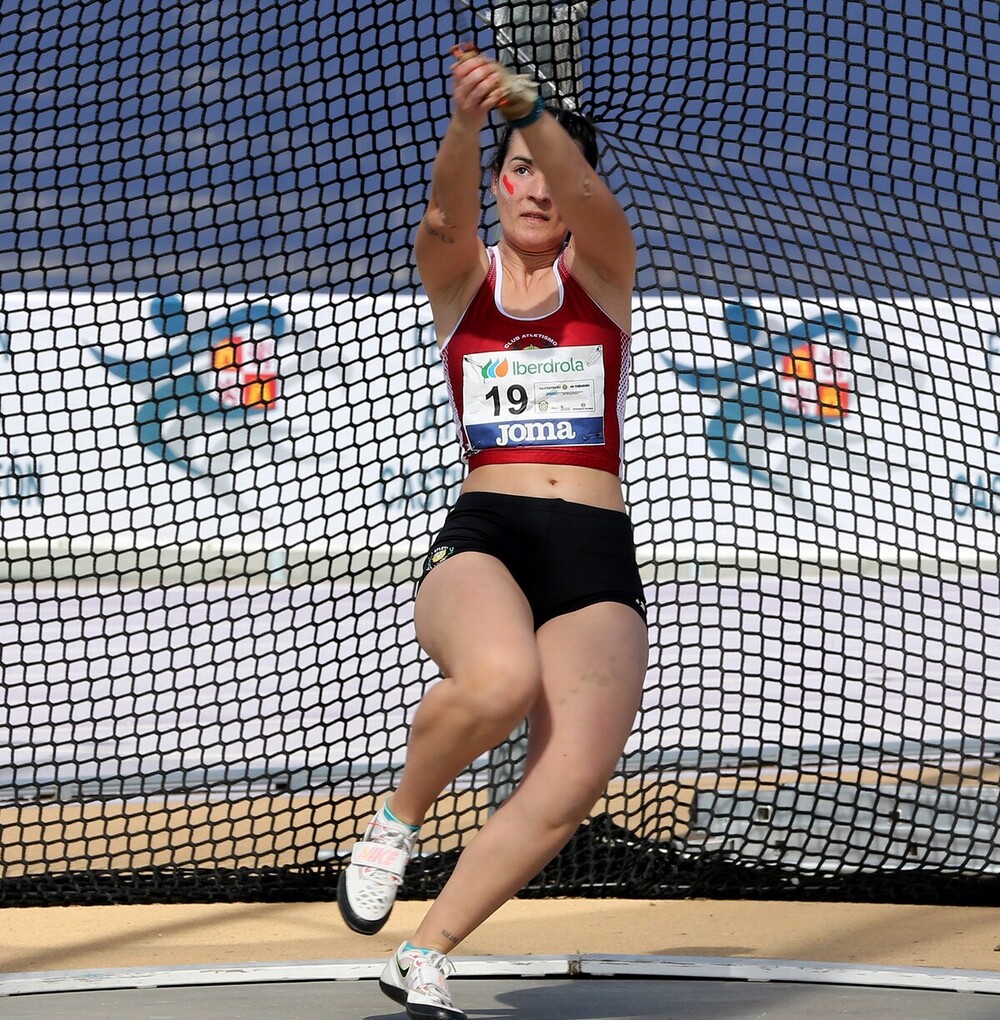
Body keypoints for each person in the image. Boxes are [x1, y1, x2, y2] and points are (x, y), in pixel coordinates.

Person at [338, 42, 648, 1020]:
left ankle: (425, 953)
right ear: (501, 180)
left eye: (549, 172)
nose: (537, 190)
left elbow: (593, 206)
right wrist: (476, 122)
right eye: (518, 172)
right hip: (488, 534)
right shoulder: (459, 281)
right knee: (498, 678)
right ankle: (396, 823)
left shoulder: (599, 275)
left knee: (570, 781)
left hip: (595, 555)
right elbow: (442, 216)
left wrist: (532, 117)